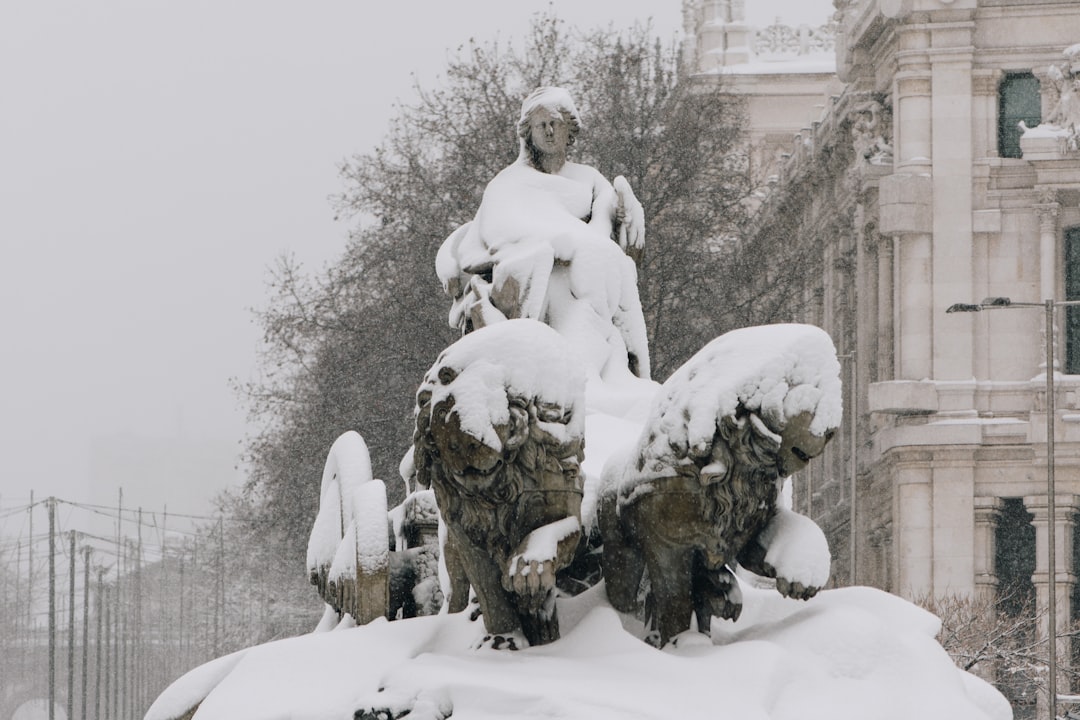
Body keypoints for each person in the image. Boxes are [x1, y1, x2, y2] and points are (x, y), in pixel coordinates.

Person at [437, 87, 650, 382]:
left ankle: (604, 377)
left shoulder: (589, 179)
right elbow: (502, 235)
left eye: (555, 124)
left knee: (604, 269)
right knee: (569, 282)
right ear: (530, 134)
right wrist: (561, 246)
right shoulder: (508, 183)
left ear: (568, 129)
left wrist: (625, 216)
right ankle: (576, 373)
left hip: (587, 282)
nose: (549, 131)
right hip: (540, 279)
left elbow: (607, 237)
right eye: (541, 125)